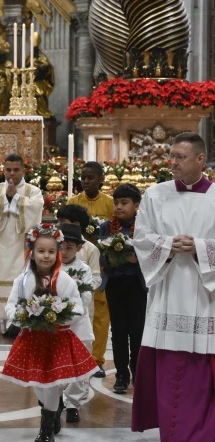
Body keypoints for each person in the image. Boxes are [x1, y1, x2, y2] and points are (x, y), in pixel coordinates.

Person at [131, 132, 215, 440]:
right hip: (167, 294)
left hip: (206, 295)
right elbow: (141, 238)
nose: (173, 162)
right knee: (168, 369)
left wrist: (201, 248)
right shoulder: (155, 195)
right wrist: (167, 245)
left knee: (202, 370)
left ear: (200, 159)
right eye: (172, 156)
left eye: (180, 157)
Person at [1, 224, 97, 442]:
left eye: (51, 252)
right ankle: (52, 414)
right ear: (32, 253)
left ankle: (45, 430)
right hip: (32, 340)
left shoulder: (65, 280)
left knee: (52, 383)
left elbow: (78, 307)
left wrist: (61, 314)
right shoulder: (23, 280)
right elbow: (11, 305)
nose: (46, 256)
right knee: (37, 382)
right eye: (41, 251)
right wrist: (21, 317)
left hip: (57, 340)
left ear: (58, 253)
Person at [0, 154, 43, 332]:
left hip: (22, 246)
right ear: (3, 170)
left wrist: (15, 200)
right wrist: (6, 198)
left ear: (23, 170)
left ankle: (19, 320)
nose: (12, 174)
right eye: (8, 170)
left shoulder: (33, 191)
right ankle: (0, 321)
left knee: (21, 280)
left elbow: (35, 208)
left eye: (16, 170)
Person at [99, 183, 146, 395]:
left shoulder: (145, 226)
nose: (118, 207)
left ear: (136, 205)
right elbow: (102, 255)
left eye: (124, 203)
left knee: (137, 331)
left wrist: (137, 258)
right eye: (116, 202)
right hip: (115, 284)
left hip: (137, 285)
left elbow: (151, 254)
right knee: (118, 331)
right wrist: (112, 258)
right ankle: (121, 375)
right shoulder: (106, 227)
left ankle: (137, 372)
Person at [67, 161, 113, 378]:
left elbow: (113, 234)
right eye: (83, 177)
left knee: (101, 315)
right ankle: (75, 356)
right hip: (76, 263)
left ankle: (97, 360)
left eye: (90, 177)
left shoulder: (110, 204)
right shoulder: (74, 202)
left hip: (100, 264)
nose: (85, 181)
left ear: (101, 179)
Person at [58, 223, 95, 424]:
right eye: (61, 247)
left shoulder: (84, 269)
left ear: (79, 248)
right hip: (54, 324)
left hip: (78, 323)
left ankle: (73, 404)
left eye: (69, 248)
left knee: (79, 364)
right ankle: (55, 402)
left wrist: (66, 305)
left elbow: (86, 297)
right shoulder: (48, 266)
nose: (63, 252)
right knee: (57, 363)